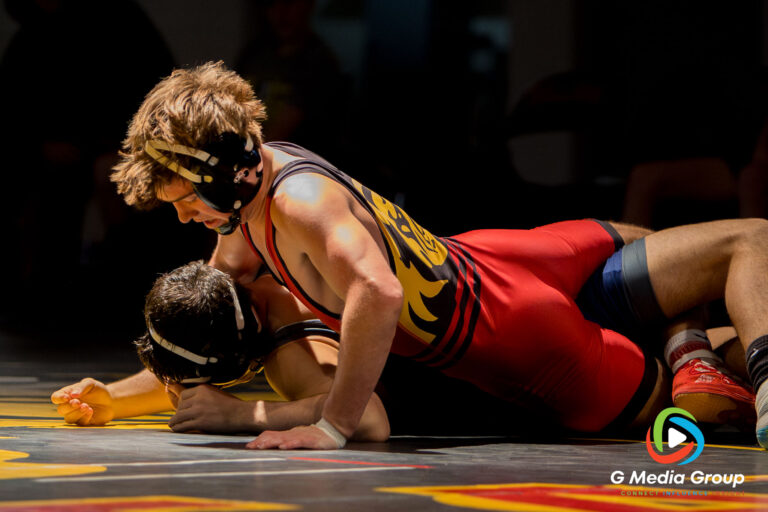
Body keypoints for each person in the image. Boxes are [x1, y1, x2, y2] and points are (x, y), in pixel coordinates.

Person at [110, 62, 768, 450]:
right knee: (739, 242)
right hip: (508, 262)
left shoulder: (298, 204)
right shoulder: (262, 179)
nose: (181, 214)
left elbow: (379, 293)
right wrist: (122, 395)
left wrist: (333, 425)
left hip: (520, 339)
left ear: (219, 175)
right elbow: (208, 313)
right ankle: (696, 348)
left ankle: (716, 366)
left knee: (730, 280)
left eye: (180, 198)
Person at [51, 261, 534, 438]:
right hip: (505, 285)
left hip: (522, 381)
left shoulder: (292, 356)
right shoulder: (246, 268)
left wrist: (243, 416)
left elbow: (367, 416)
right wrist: (114, 400)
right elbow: (198, 372)